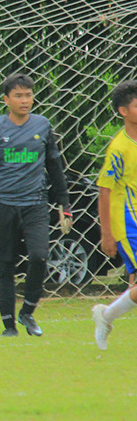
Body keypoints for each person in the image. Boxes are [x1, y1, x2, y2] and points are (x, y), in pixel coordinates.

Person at [0, 73, 71, 337]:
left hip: (35, 204)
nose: (25, 100)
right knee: (5, 264)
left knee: (40, 257)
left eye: (28, 95)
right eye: (18, 95)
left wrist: (64, 203)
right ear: (6, 99)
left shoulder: (43, 125)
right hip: (4, 204)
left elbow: (55, 166)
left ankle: (27, 312)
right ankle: (9, 326)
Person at [92, 80, 137, 349]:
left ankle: (105, 315)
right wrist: (106, 234)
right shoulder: (119, 147)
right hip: (128, 222)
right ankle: (106, 316)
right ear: (123, 111)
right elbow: (105, 190)